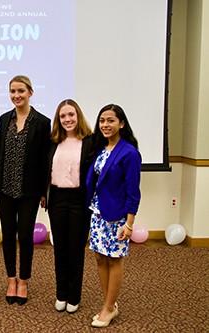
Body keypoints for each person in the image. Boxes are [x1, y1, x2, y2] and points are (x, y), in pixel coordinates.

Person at [0, 75, 51, 305]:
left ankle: (24, 280)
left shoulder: (42, 122)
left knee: (25, 236)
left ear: (30, 92)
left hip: (29, 190)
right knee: (8, 235)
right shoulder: (4, 119)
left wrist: (44, 191)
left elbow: (45, 160)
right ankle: (11, 279)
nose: (16, 95)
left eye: (21, 91)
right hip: (4, 188)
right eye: (12, 91)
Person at [86, 104, 141, 328]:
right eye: (102, 121)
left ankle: (108, 309)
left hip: (117, 217)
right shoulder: (101, 148)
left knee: (114, 259)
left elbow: (133, 191)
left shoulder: (129, 153)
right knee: (100, 257)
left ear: (121, 123)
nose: (105, 125)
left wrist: (129, 224)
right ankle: (110, 303)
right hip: (98, 213)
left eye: (110, 120)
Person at [47, 99, 94, 314]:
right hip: (57, 198)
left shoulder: (91, 141)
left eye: (71, 115)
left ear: (78, 116)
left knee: (75, 249)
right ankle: (61, 293)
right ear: (59, 119)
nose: (67, 119)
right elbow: (44, 170)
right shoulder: (53, 141)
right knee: (60, 249)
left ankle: (74, 296)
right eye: (63, 116)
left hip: (79, 200)